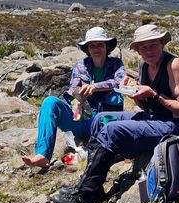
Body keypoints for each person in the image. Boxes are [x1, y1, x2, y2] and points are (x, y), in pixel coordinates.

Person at [51, 24, 179, 203]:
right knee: (101, 119)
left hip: (174, 125)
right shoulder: (144, 64)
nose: (148, 50)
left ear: (161, 44)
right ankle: (94, 185)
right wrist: (134, 94)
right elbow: (145, 105)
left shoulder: (174, 65)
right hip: (152, 118)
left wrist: (154, 94)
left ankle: (84, 195)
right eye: (143, 47)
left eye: (153, 45)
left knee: (112, 129)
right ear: (138, 50)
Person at [21, 27, 126, 168]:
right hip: (82, 116)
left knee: (115, 99)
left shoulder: (116, 64)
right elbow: (73, 89)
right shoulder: (81, 65)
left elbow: (120, 81)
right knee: (50, 102)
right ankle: (43, 155)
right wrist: (78, 96)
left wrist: (96, 87)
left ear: (107, 47)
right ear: (88, 49)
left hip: (103, 120)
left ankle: (95, 149)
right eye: (92, 45)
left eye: (100, 45)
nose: (96, 49)